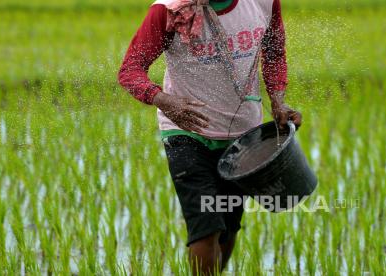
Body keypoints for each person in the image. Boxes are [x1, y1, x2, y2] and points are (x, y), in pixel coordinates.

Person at [118, 0, 302, 274]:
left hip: (243, 134)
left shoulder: (263, 2)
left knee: (228, 227)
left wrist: (278, 100)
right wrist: (165, 101)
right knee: (206, 226)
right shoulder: (170, 10)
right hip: (186, 131)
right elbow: (130, 70)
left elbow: (274, 52)